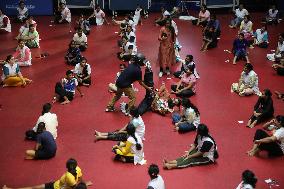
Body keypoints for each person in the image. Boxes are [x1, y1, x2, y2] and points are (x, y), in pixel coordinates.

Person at [2, 158, 92, 189]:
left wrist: (84, 185)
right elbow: (80, 180)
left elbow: (75, 185)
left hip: (54, 187)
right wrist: (85, 184)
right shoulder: (78, 169)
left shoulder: (69, 176)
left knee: (33, 188)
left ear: (67, 167)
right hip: (55, 184)